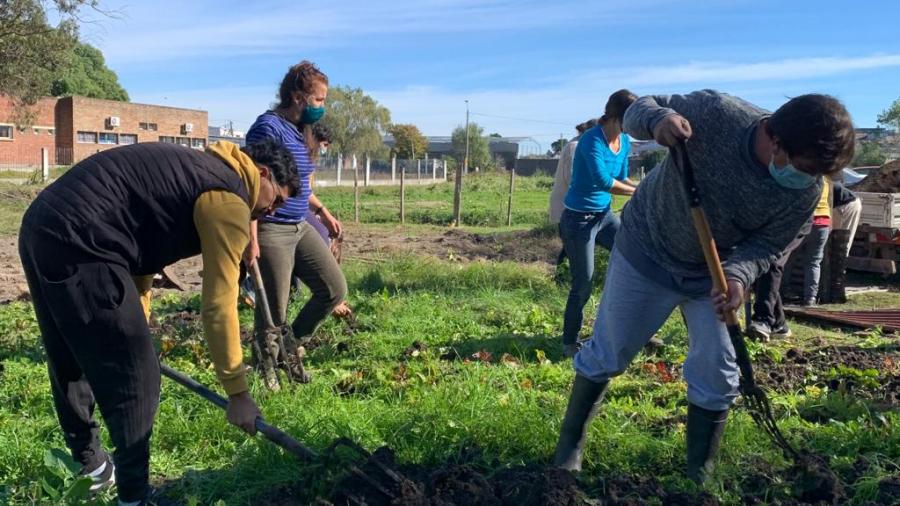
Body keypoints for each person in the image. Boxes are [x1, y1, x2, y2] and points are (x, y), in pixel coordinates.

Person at [552, 90, 855, 483]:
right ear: (776, 140)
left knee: (718, 371)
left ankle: (700, 471)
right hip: (647, 248)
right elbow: (637, 108)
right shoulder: (717, 113)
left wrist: (738, 275)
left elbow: (768, 245)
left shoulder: (807, 192)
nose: (808, 179)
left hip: (712, 276)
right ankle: (569, 450)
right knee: (610, 350)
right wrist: (657, 120)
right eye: (805, 167)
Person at [18, 139, 299, 505]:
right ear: (262, 174)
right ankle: (135, 497)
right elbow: (219, 305)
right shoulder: (228, 200)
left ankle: (91, 468)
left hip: (43, 223)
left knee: (69, 353)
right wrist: (238, 395)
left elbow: (141, 243)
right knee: (138, 377)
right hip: (85, 236)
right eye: (276, 200)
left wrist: (139, 316)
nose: (271, 211)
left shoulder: (196, 170)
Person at [244, 61, 348, 364]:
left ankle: (288, 347)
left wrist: (322, 212)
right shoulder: (268, 128)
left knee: (333, 289)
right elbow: (251, 185)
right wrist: (252, 239)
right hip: (271, 226)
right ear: (298, 97)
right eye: (319, 99)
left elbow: (297, 183)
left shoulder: (302, 131)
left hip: (300, 224)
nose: (322, 107)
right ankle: (267, 368)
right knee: (274, 310)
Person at [559, 90, 638, 358]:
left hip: (604, 216)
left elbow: (622, 178)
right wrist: (637, 192)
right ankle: (569, 342)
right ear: (617, 116)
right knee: (584, 283)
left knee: (637, 259)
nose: (634, 125)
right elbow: (603, 181)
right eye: (631, 119)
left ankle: (630, 328)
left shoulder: (624, 141)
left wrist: (643, 187)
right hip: (578, 220)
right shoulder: (591, 140)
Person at [548, 117, 600, 265]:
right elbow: (572, 177)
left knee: (573, 247)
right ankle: (563, 276)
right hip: (568, 205)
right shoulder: (575, 147)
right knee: (572, 247)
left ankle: (564, 276)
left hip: (577, 205)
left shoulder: (583, 145)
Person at [797, 181, 832, 305]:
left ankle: (780, 293)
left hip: (804, 221)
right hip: (823, 223)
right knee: (814, 262)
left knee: (787, 258)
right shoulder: (825, 180)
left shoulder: (802, 177)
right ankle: (810, 298)